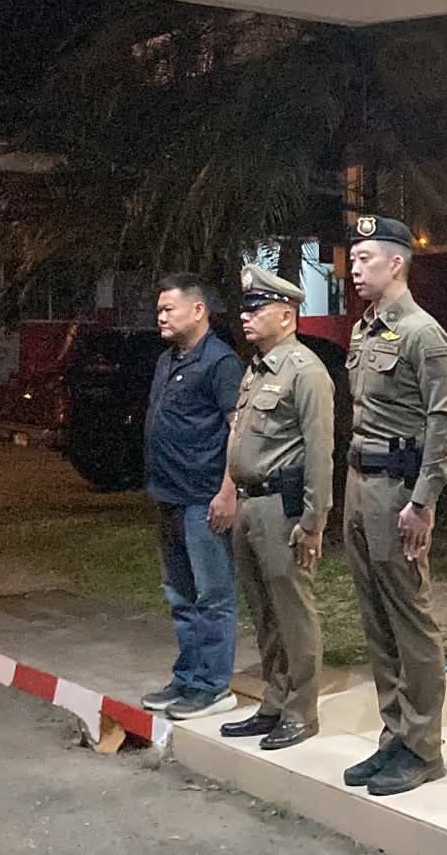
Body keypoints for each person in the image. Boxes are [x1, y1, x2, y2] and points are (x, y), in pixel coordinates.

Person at [338, 215, 447, 796]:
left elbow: (444, 423)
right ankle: (394, 734)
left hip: (398, 491)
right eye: (353, 259)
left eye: (365, 259)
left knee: (410, 621)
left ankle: (423, 746)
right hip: (360, 484)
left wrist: (424, 501)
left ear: (396, 263)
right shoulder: (364, 331)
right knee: (377, 619)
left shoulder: (422, 334)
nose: (355, 269)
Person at [215, 263, 335, 751]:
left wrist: (314, 519)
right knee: (264, 612)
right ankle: (275, 699)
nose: (246, 317)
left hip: (282, 507)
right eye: (245, 309)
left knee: (292, 611)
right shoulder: (258, 368)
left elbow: (321, 452)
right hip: (250, 503)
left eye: (257, 308)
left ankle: (301, 710)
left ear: (286, 315)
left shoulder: (305, 371)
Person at [140, 273, 246, 721]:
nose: (161, 317)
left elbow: (237, 430)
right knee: (180, 594)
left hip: (203, 498)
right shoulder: (167, 360)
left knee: (212, 594)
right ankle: (187, 676)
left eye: (169, 309)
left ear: (198, 310)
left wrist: (227, 492)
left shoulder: (220, 363)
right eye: (159, 310)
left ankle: (213, 686)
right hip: (168, 496)